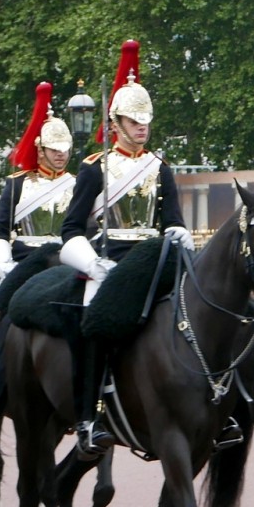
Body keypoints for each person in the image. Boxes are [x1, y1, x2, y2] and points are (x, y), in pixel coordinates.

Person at [55, 40, 193, 457]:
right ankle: (88, 418)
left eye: (145, 120)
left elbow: (172, 222)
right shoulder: (96, 168)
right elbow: (71, 228)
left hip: (155, 261)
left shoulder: (160, 168)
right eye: (133, 121)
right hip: (110, 262)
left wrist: (181, 236)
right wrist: (93, 263)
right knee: (92, 328)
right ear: (115, 122)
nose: (141, 127)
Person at [0, 81, 75, 278]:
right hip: (24, 262)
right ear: (40, 150)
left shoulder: (76, 184)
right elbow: (0, 230)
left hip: (67, 262)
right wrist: (5, 266)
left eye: (64, 149)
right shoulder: (18, 183)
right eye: (54, 149)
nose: (61, 154)